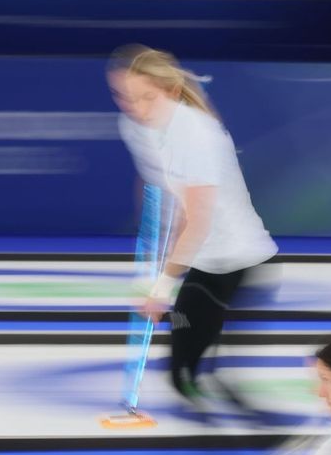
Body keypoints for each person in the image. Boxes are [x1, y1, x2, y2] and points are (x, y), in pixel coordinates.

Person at [108, 44, 278, 416]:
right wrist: (153, 249)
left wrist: (161, 286)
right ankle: (211, 390)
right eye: (123, 96)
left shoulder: (196, 134)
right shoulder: (135, 125)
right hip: (199, 256)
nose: (134, 107)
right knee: (183, 369)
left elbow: (196, 220)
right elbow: (152, 182)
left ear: (168, 91)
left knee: (195, 362)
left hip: (237, 258)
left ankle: (243, 435)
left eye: (145, 97)